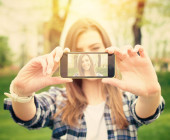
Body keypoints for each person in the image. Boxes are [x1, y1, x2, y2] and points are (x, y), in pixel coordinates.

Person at [4, 18, 165, 140]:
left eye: (95, 48)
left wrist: (151, 94)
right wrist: (21, 94)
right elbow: (31, 117)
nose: (87, 57)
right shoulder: (58, 100)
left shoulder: (127, 99)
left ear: (107, 49)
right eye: (79, 51)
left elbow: (146, 111)